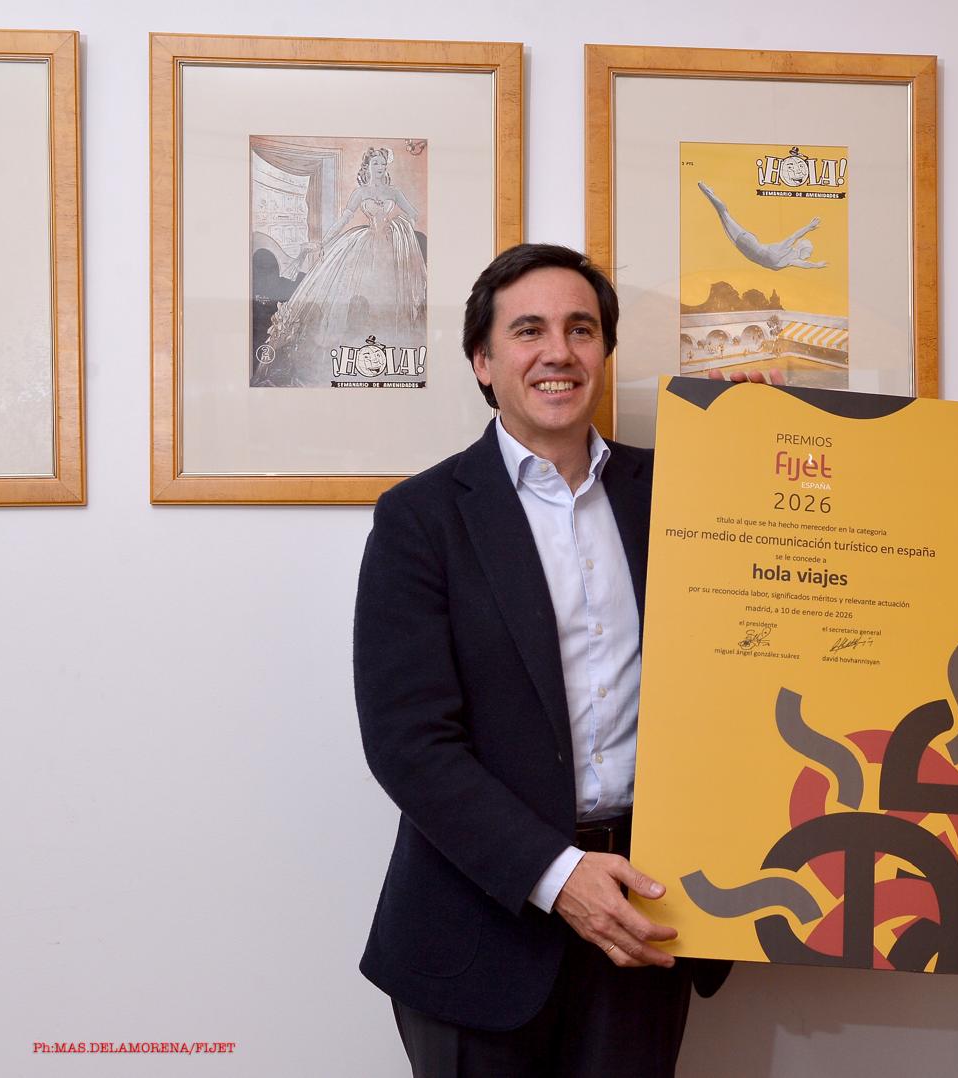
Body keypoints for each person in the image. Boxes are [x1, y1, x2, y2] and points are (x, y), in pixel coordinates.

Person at [354, 244, 726, 1077]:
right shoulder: (420, 519)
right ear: (483, 363)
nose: (558, 351)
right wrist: (558, 877)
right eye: (528, 331)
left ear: (604, 351)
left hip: (647, 912)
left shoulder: (685, 497)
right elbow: (409, 743)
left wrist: (762, 436)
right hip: (478, 933)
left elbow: (772, 630)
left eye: (580, 329)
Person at [260, 146, 427, 386]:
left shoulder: (394, 192)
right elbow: (343, 221)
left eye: (382, 164)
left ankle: (386, 352)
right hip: (365, 246)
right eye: (375, 164)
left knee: (389, 299)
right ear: (367, 167)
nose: (380, 168)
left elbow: (414, 214)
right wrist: (323, 242)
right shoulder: (360, 193)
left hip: (390, 251)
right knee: (361, 298)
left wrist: (401, 227)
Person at [697, 182, 828, 270]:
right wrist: (808, 227)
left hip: (747, 247)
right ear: (801, 248)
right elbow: (795, 236)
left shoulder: (790, 260)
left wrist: (817, 265)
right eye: (809, 251)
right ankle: (708, 192)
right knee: (724, 214)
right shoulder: (787, 250)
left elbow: (805, 264)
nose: (809, 255)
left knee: (723, 215)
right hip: (748, 244)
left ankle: (711, 194)